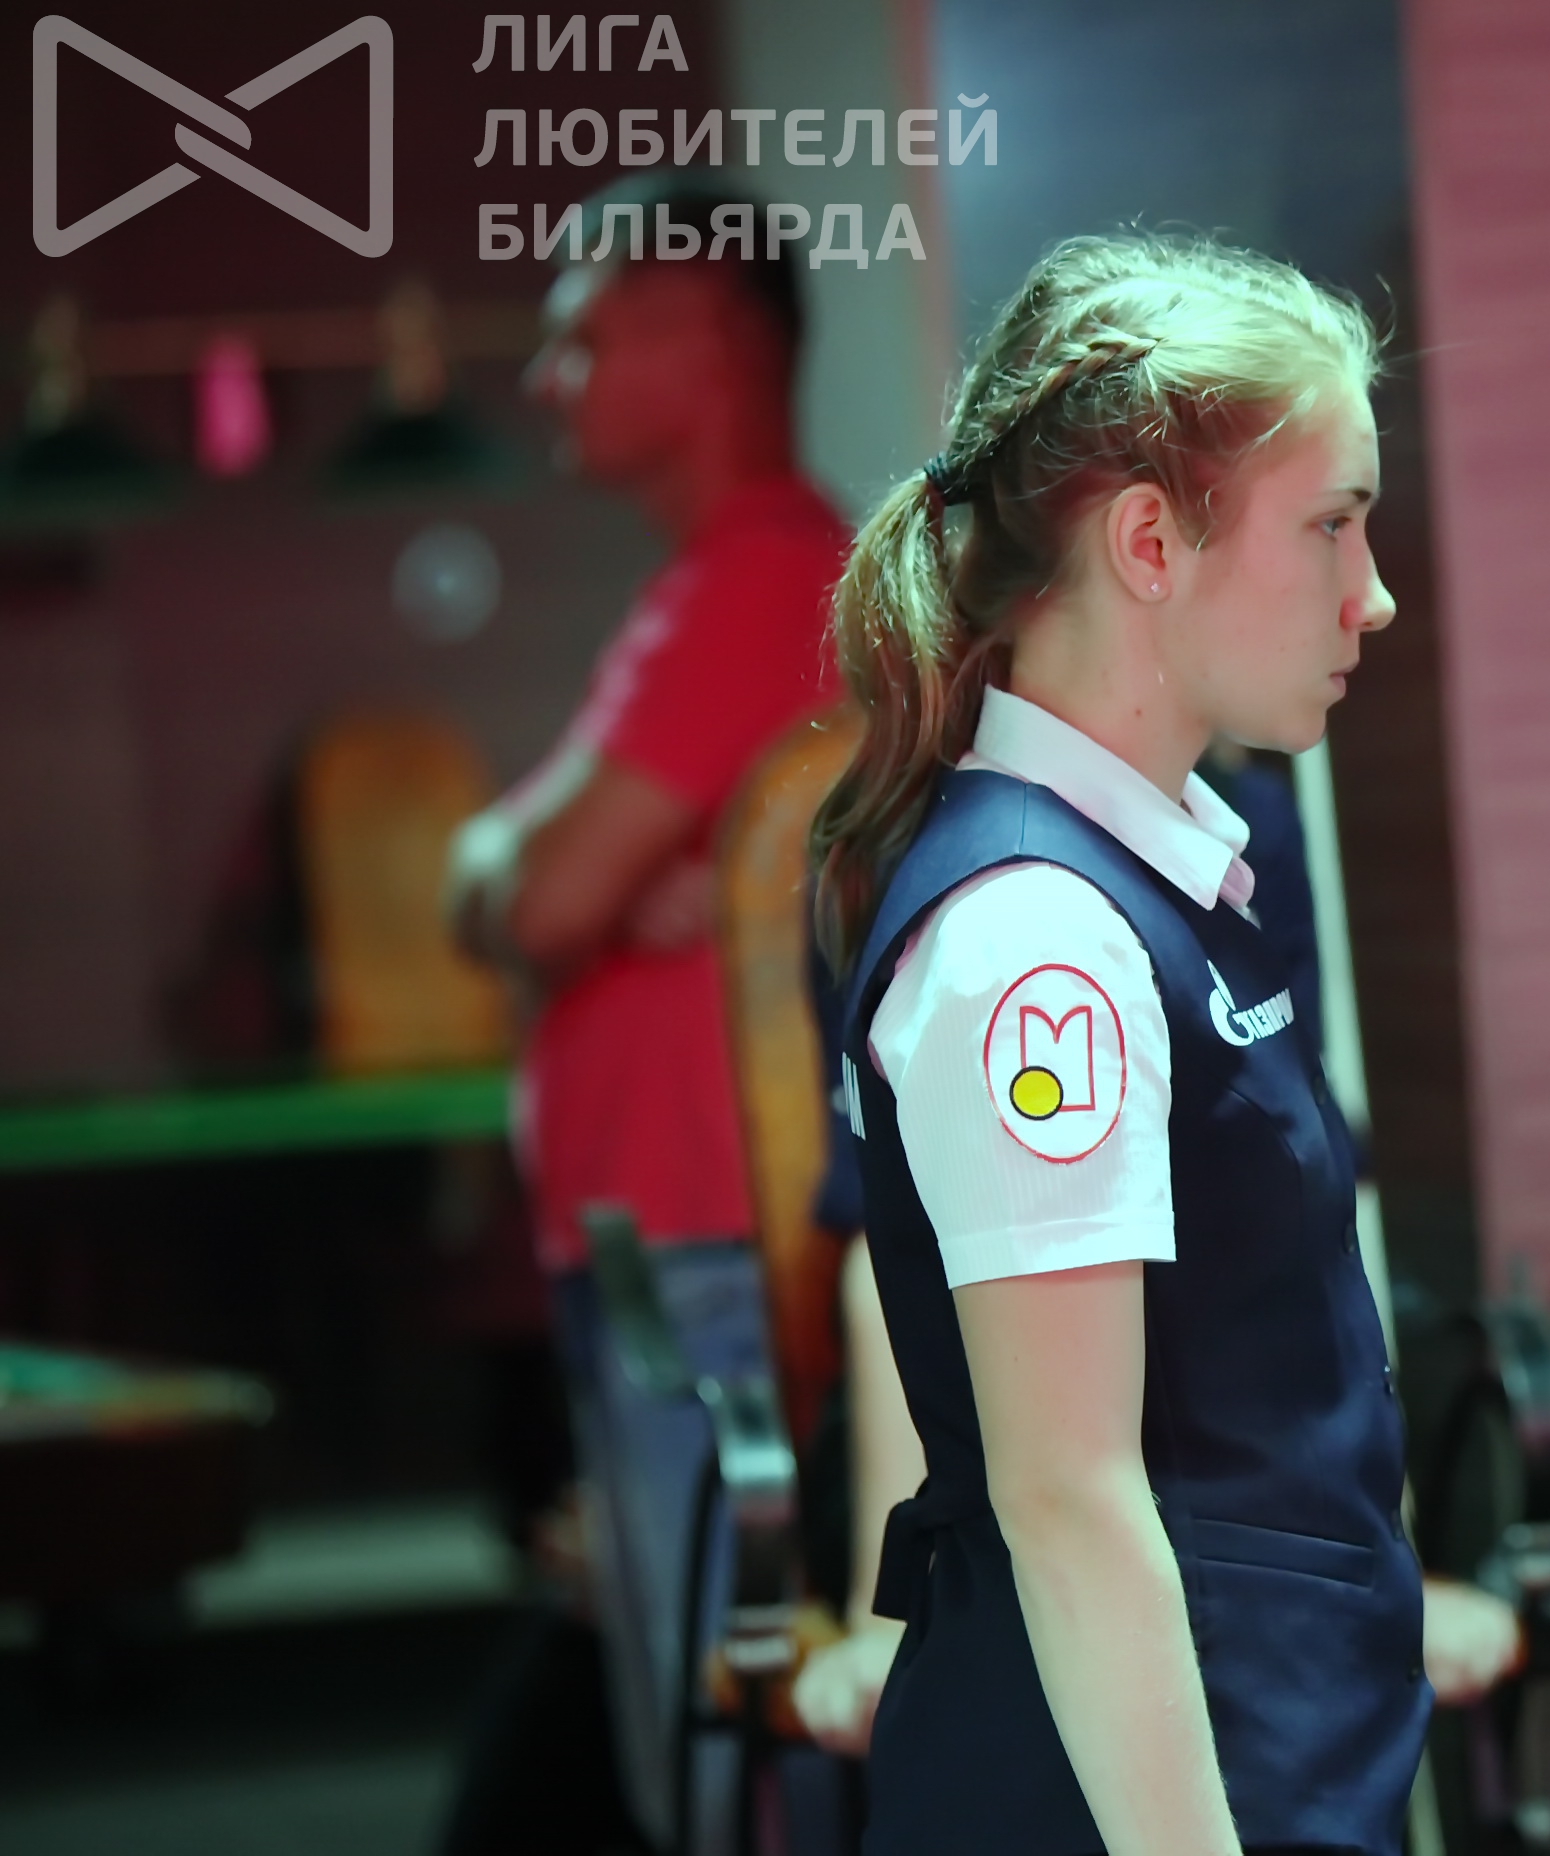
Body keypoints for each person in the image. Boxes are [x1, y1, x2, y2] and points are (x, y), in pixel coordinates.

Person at [810, 230, 1434, 1855]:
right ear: (1151, 540)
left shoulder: (1168, 879)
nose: (1373, 592)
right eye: (1333, 522)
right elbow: (1069, 1501)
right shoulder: (1039, 943)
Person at [440, 169, 847, 1855]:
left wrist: (539, 882)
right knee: (700, 1731)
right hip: (678, 1256)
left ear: (709, 340)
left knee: (728, 1747)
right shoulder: (715, 588)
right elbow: (521, 881)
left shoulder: (760, 578)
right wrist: (545, 877)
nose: (548, 380)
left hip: (707, 1254)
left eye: (584, 339)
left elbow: (531, 895)